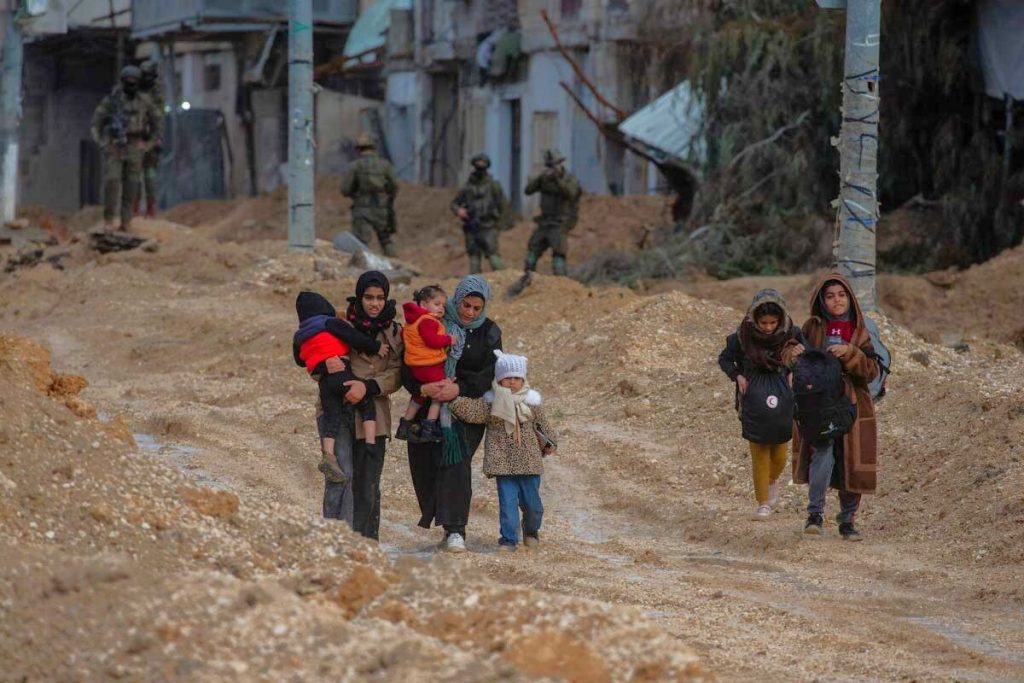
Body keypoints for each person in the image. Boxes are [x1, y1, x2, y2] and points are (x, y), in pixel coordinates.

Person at [403, 275, 502, 553]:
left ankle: (456, 529)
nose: (470, 312)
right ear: (456, 300)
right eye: (465, 305)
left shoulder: (489, 331)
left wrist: (458, 388)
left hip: (466, 409)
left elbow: (491, 371)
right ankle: (444, 525)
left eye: (476, 308)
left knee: (456, 464)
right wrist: (424, 388)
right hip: (427, 405)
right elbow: (410, 361)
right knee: (425, 464)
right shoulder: (433, 322)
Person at [782, 274, 879, 541]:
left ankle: (847, 521)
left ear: (850, 298)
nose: (837, 300)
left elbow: (872, 370)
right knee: (822, 453)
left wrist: (851, 353)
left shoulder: (860, 331)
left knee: (851, 461)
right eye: (830, 296)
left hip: (853, 404)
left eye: (841, 295)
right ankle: (814, 515)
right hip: (818, 405)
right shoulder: (813, 327)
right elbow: (788, 352)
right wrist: (793, 355)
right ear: (821, 301)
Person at [451, 351, 556, 551]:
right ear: (499, 379)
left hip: (529, 463)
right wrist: (453, 399)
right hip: (503, 463)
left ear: (523, 379)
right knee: (508, 507)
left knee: (534, 506)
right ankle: (508, 540)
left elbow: (543, 425)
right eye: (507, 378)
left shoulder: (531, 403)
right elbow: (472, 411)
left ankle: (531, 530)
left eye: (517, 378)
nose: (512, 382)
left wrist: (551, 442)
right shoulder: (491, 403)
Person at [718, 289, 805, 519]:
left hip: (783, 400)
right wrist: (737, 375)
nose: (768, 328)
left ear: (780, 319)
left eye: (772, 323)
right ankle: (763, 502)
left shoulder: (792, 334)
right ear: (754, 319)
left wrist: (794, 370)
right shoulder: (741, 337)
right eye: (763, 323)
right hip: (752, 400)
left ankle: (770, 480)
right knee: (759, 452)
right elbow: (725, 359)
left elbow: (806, 359)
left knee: (780, 455)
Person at [293, 291, 384, 483]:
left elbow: (299, 360)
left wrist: (319, 358)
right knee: (366, 401)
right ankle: (370, 444)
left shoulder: (300, 335)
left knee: (331, 417)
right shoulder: (329, 323)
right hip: (341, 372)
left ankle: (328, 456)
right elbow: (354, 337)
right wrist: (376, 347)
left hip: (325, 382)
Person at [90, 65, 163, 231]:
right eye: (128, 82)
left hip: (135, 145)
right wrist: (102, 143)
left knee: (132, 186)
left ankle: (126, 221)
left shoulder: (145, 101)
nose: (131, 86)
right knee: (112, 181)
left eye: (134, 82)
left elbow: (158, 125)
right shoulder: (112, 101)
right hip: (115, 146)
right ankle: (109, 219)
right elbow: (96, 122)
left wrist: (148, 144)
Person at [397, 285, 452, 443]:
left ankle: (404, 426)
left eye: (443, 305)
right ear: (423, 304)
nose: (441, 308)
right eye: (437, 304)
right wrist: (449, 340)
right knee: (438, 395)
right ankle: (429, 427)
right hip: (430, 365)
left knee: (419, 396)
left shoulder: (411, 322)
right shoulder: (428, 321)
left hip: (415, 366)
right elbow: (432, 341)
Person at [522, 149, 581, 277]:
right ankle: (527, 280)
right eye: (551, 165)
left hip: (559, 223)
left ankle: (561, 283)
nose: (554, 168)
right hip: (544, 222)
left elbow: (571, 194)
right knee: (531, 255)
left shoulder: (569, 179)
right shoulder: (544, 178)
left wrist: (558, 179)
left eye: (556, 164)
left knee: (558, 257)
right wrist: (540, 177)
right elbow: (528, 191)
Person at [341, 133, 399, 257]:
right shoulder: (385, 165)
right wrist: (386, 199)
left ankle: (363, 266)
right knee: (386, 240)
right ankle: (396, 265)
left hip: (362, 209)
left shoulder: (355, 166)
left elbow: (345, 189)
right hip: (382, 208)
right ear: (374, 147)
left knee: (361, 242)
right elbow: (394, 186)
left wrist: (355, 195)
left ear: (358, 149)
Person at [451, 153, 509, 274]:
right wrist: (459, 211)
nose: (480, 167)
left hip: (488, 226)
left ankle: (506, 279)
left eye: (483, 164)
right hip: (472, 227)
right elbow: (454, 204)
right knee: (474, 258)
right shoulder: (467, 187)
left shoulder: (493, 185)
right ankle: (475, 283)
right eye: (478, 163)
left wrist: (499, 225)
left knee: (494, 257)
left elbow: (503, 206)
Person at [136, 60, 166, 218]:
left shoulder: (155, 91)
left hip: (149, 138)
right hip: (139, 137)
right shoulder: (141, 90)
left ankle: (149, 209)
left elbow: (158, 116)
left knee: (148, 175)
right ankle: (137, 209)